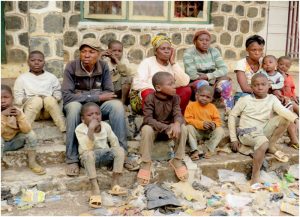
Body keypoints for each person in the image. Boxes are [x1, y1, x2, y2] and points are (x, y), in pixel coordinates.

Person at [62, 38, 136, 176]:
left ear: (98, 54)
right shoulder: (71, 67)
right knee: (73, 108)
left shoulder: (103, 66)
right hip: (80, 106)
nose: (87, 55)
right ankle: (72, 159)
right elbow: (67, 96)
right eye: (83, 51)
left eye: (91, 52)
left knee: (117, 106)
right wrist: (95, 96)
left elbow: (109, 93)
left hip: (96, 107)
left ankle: (122, 153)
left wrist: (83, 94)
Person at [228, 73, 298, 185]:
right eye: (256, 85)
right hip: (247, 132)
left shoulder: (272, 98)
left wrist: (296, 119)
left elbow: (282, 111)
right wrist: (233, 139)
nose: (260, 87)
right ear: (251, 87)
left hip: (262, 130)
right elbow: (232, 116)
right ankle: (255, 176)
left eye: (263, 84)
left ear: (269, 85)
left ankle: (271, 145)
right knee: (263, 143)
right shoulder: (245, 100)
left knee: (285, 118)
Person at [137, 72, 189, 186]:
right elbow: (148, 119)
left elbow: (178, 114)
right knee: (146, 129)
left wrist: (176, 124)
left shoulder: (175, 98)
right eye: (170, 84)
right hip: (156, 130)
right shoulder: (149, 98)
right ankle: (146, 162)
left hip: (170, 131)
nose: (174, 86)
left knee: (183, 127)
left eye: (174, 83)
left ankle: (177, 159)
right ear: (158, 87)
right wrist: (166, 127)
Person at [75, 102, 126, 208]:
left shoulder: (106, 126)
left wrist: (115, 159)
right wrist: (91, 130)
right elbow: (86, 148)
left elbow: (114, 142)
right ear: (83, 119)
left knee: (120, 150)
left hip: (104, 155)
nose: (95, 117)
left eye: (97, 114)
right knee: (88, 155)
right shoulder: (80, 129)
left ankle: (115, 183)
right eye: (90, 115)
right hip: (88, 158)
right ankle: (95, 188)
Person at [130, 35, 191, 114]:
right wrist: (161, 91)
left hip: (168, 99)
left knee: (186, 90)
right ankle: (154, 118)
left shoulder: (173, 65)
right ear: (155, 51)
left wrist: (173, 62)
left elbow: (184, 82)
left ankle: (176, 115)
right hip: (152, 98)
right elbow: (137, 83)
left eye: (169, 49)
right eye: (163, 49)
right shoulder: (147, 62)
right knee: (148, 93)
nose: (166, 51)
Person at [13, 50, 66, 133]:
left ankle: (64, 130)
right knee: (36, 101)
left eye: (40, 61)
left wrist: (52, 98)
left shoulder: (51, 77)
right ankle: (24, 131)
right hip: (32, 111)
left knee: (49, 100)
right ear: (28, 62)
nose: (36, 63)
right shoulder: (22, 78)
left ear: (44, 62)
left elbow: (58, 93)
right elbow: (18, 99)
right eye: (33, 60)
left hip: (47, 111)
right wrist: (31, 99)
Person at [183, 29, 234, 112]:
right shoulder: (189, 53)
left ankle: (229, 112)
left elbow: (224, 69)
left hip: (212, 82)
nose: (204, 42)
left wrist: (208, 76)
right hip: (195, 86)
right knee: (204, 83)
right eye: (201, 40)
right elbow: (193, 75)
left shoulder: (214, 51)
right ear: (195, 41)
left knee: (225, 84)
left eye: (207, 40)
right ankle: (201, 111)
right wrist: (216, 77)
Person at [1, 85, 45, 175]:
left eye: (6, 97)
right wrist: (3, 115)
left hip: (15, 143)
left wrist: (19, 116)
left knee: (31, 134)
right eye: (0, 98)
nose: (2, 101)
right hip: (2, 144)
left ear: (12, 98)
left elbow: (27, 130)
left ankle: (32, 163)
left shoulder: (17, 111)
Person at [184, 85, 224, 160]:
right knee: (188, 127)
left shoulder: (212, 107)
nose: (204, 98)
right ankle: (194, 150)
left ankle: (209, 150)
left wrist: (214, 124)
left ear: (212, 99)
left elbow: (218, 120)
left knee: (220, 130)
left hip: (208, 132)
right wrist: (201, 124)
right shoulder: (191, 105)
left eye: (208, 97)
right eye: (202, 96)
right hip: (196, 132)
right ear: (197, 95)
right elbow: (188, 119)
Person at [101, 40, 135, 105]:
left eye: (120, 51)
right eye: (114, 50)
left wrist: (116, 60)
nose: (117, 53)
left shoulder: (124, 61)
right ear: (108, 51)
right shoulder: (105, 61)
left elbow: (125, 73)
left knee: (128, 78)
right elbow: (96, 70)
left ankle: (123, 102)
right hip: (106, 87)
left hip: (117, 87)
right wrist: (101, 55)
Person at [234, 35, 265, 102]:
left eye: (260, 50)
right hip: (243, 94)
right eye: (254, 50)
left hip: (261, 94)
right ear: (247, 49)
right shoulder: (241, 63)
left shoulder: (264, 63)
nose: (257, 53)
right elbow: (245, 88)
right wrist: (262, 92)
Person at [277, 56, 299, 149]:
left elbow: (292, 88)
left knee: (295, 105)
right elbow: (278, 87)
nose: (283, 67)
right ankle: (294, 140)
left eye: (286, 66)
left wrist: (294, 96)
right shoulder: (275, 75)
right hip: (281, 100)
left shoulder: (289, 76)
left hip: (290, 98)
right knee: (290, 115)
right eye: (281, 64)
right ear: (277, 64)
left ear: (289, 67)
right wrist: (282, 76)